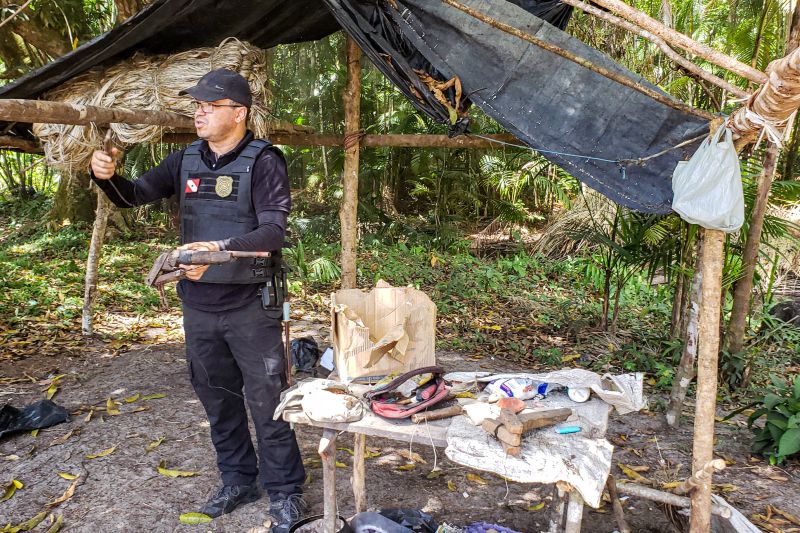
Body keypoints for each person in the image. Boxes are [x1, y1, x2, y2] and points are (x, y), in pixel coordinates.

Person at [90, 68, 306, 532]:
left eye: (210, 104)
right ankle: (237, 480)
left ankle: (286, 493)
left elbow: (273, 231)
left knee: (268, 398)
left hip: (251, 303)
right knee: (217, 398)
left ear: (240, 113)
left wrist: (217, 251)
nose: (199, 111)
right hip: (200, 305)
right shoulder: (184, 159)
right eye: (197, 105)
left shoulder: (264, 160)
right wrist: (107, 177)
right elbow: (133, 196)